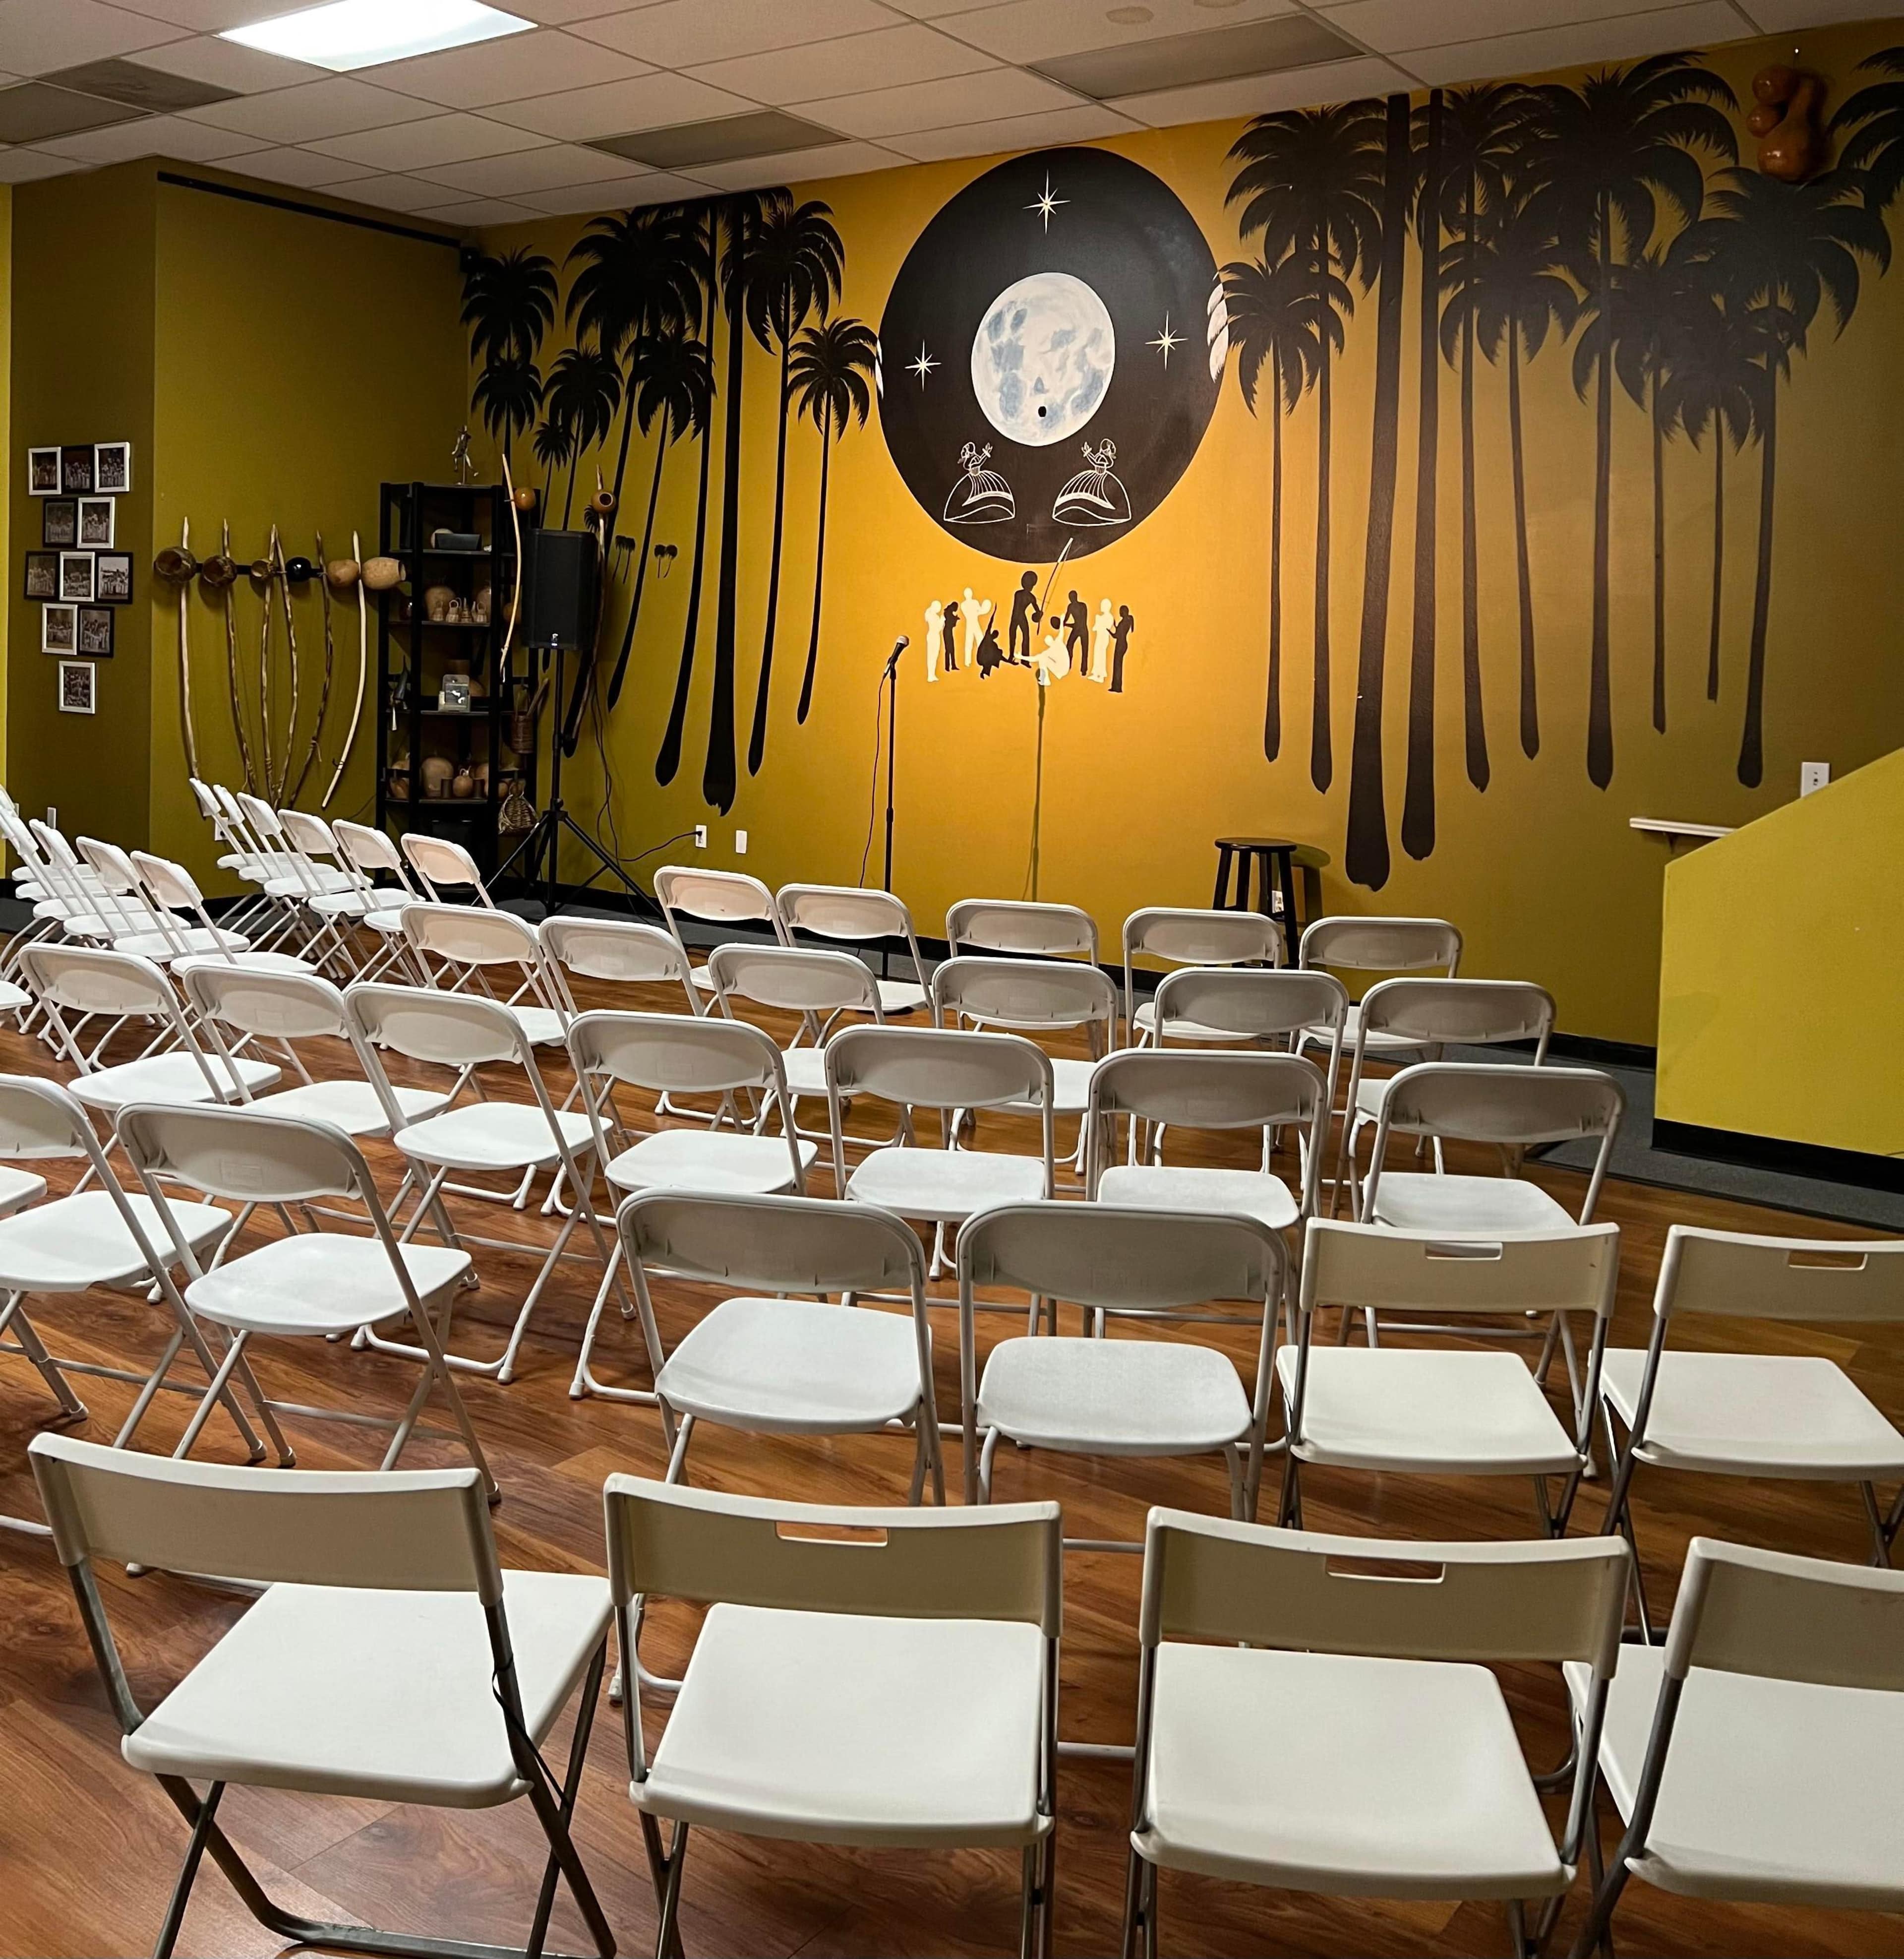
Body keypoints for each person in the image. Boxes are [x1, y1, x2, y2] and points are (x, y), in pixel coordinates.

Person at [1007, 570, 1041, 665]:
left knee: (1022, 636)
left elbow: (1037, 610)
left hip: (1017, 616)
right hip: (1018, 616)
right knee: (1016, 636)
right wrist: (1039, 613)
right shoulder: (1023, 595)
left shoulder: (1025, 595)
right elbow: (1037, 609)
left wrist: (1039, 613)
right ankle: (1014, 657)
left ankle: (1022, 659)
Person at [1109, 604, 1135, 694]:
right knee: (1118, 666)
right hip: (1123, 644)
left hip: (1120, 644)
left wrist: (1109, 631)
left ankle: (1117, 687)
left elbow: (1116, 636)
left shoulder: (1123, 622)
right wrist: (1116, 627)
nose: (1120, 613)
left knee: (1117, 666)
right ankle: (1116, 686)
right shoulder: (1127, 621)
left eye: (1121, 611)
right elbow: (1120, 633)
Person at [1063, 590, 1089, 673]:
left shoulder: (1083, 606)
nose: (1071, 599)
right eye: (1070, 598)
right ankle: (1068, 665)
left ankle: (1084, 669)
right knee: (1069, 646)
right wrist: (1063, 623)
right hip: (1077, 628)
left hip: (1082, 629)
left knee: (1085, 650)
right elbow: (1066, 619)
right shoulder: (1071, 607)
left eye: (1072, 597)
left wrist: (1066, 624)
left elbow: (1081, 623)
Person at [940, 598, 961, 673]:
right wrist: (955, 619)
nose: (956, 609)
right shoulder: (948, 613)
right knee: (949, 650)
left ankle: (952, 665)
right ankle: (948, 666)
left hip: (949, 632)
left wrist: (955, 619)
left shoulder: (949, 613)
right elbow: (951, 624)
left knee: (951, 649)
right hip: (947, 632)